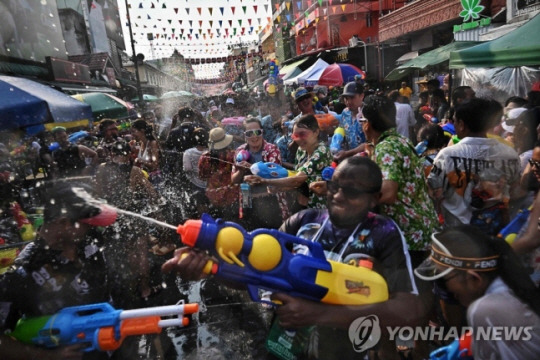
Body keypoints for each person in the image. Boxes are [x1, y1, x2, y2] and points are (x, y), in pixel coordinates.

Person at [163, 157, 422, 359]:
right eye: (335, 185)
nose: (339, 196)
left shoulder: (384, 233)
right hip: (281, 348)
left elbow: (407, 311)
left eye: (352, 192)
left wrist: (318, 315)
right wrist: (210, 266)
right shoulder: (304, 221)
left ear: (375, 198)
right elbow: (255, 274)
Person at [0, 182, 118, 360]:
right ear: (65, 223)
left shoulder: (90, 246)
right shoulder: (24, 273)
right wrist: (45, 356)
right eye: (87, 224)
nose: (93, 228)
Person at [415, 225, 540, 359]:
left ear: (475, 279)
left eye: (442, 280)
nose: (445, 289)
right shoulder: (509, 283)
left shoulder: (484, 309)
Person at [361, 95, 439, 258]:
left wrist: (352, 199)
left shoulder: (386, 147)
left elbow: (388, 193)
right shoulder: (400, 140)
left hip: (409, 235)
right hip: (420, 227)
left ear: (367, 124)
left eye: (362, 121)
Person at [428, 98, 521, 232]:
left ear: (461, 124)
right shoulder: (510, 154)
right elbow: (515, 191)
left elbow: (433, 192)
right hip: (495, 236)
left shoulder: (447, 155)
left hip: (457, 236)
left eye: (455, 121)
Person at [244, 114, 332, 209]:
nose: (298, 139)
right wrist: (280, 187)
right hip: (304, 205)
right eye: (295, 136)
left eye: (302, 134)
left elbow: (297, 180)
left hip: (321, 210)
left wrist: (264, 181)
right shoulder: (301, 150)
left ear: (316, 132)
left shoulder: (321, 152)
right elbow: (298, 179)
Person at [231, 117, 289, 229]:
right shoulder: (239, 151)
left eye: (257, 132)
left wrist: (252, 167)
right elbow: (233, 180)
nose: (254, 136)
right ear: (245, 135)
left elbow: (275, 175)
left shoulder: (272, 149)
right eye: (249, 133)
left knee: (274, 237)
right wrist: (240, 171)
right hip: (248, 202)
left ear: (262, 132)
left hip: (270, 202)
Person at [198, 127, 239, 221]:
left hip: (213, 197)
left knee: (217, 224)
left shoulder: (205, 157)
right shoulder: (234, 155)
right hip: (232, 195)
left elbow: (202, 177)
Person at [333, 82, 367, 161]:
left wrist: (347, 153)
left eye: (352, 98)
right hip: (350, 162)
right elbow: (342, 130)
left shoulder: (368, 113)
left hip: (366, 162)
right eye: (346, 98)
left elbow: (370, 143)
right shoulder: (345, 112)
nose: (348, 102)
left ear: (361, 96)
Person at [182, 128, 209, 218]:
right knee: (209, 206)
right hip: (209, 184)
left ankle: (202, 224)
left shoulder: (188, 153)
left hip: (195, 183)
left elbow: (187, 168)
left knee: (200, 205)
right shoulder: (210, 151)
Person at [131, 119, 162, 187]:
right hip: (144, 178)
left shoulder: (152, 143)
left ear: (142, 131)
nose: (132, 135)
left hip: (155, 179)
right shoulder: (140, 144)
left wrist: (141, 161)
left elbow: (155, 165)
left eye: (134, 132)